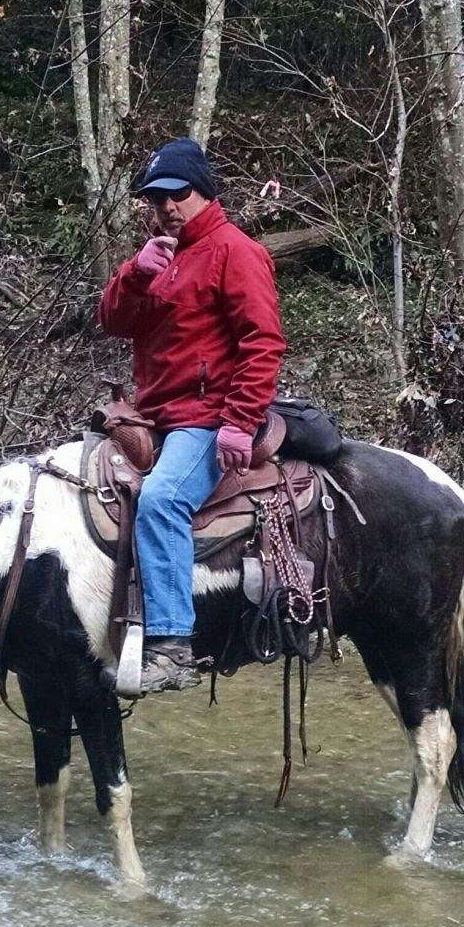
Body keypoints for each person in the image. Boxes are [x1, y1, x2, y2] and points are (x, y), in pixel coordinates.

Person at [97, 137, 287, 694]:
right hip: (155, 414)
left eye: (176, 195)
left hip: (204, 417)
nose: (166, 207)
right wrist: (134, 274)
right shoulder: (159, 255)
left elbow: (263, 343)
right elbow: (111, 322)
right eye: (156, 199)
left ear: (204, 192)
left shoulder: (236, 251)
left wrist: (239, 422)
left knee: (161, 501)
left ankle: (173, 646)